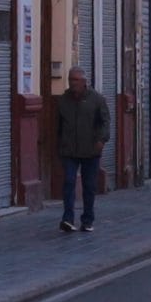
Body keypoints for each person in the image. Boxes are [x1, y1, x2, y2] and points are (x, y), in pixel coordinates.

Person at [54, 67, 108, 232]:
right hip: (69, 150)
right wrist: (59, 144)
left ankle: (87, 220)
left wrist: (101, 140)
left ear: (84, 82)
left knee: (89, 186)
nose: (73, 83)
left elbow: (105, 122)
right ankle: (68, 219)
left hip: (90, 150)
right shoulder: (63, 100)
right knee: (69, 182)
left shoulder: (97, 100)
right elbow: (58, 125)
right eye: (70, 80)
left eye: (76, 80)